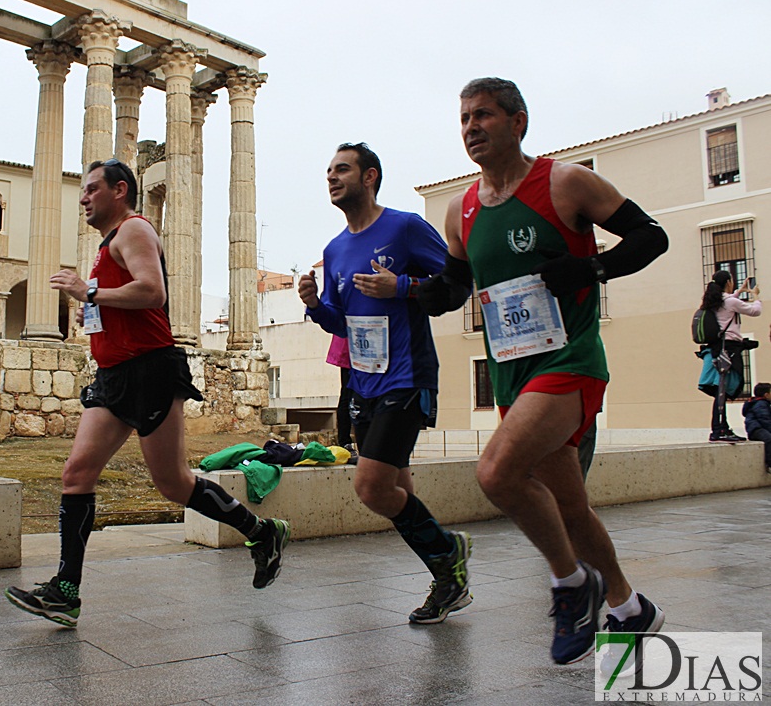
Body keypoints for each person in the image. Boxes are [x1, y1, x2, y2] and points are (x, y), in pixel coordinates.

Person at [417, 78, 669, 664]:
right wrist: (411, 294)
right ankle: (632, 608)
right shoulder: (464, 209)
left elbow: (649, 236)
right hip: (512, 372)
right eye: (463, 119)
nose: (471, 127)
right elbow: (454, 286)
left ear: (518, 122)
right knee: (570, 507)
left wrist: (593, 271)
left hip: (569, 360)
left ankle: (572, 584)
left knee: (497, 473)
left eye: (483, 116)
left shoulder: (564, 182)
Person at [4, 159, 290, 627]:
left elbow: (152, 292)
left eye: (92, 188)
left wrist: (89, 294)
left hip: (150, 370)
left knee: (173, 483)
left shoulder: (134, 229)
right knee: (76, 473)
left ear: (120, 190)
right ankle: (65, 591)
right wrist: (93, 312)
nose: (83, 196)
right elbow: (125, 298)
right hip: (115, 376)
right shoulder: (108, 243)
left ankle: (262, 532)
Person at [298, 142, 473, 625]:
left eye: (342, 170)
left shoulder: (405, 228)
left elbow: (460, 284)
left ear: (370, 176)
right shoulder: (335, 249)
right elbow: (344, 321)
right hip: (362, 382)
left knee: (372, 487)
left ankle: (448, 552)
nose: (331, 178)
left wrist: (404, 287)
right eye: (328, 170)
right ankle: (448, 579)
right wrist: (315, 305)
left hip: (407, 376)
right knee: (396, 488)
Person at [700, 270, 760, 442]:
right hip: (729, 349)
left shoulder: (713, 301)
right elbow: (755, 311)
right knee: (723, 390)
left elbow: (727, 305)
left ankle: (720, 428)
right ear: (727, 282)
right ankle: (719, 430)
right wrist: (755, 297)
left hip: (717, 349)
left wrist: (739, 291)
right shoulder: (730, 302)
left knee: (721, 390)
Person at [325, 334, 355, 452]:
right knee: (347, 395)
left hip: (358, 346)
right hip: (352, 347)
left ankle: (345, 441)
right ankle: (344, 441)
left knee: (347, 395)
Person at [742, 383, 771, 473]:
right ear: (766, 395)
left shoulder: (763, 403)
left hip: (758, 428)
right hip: (756, 429)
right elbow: (764, 420)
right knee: (769, 439)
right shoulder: (760, 404)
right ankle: (769, 464)